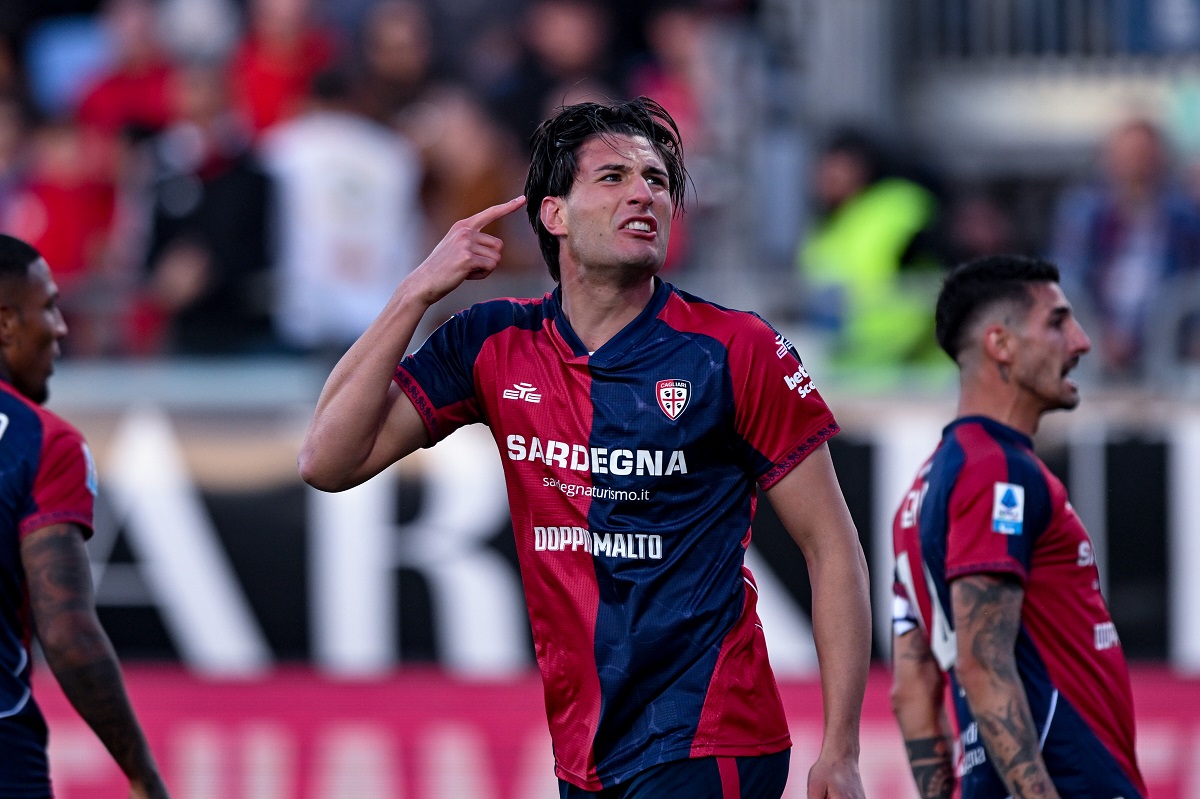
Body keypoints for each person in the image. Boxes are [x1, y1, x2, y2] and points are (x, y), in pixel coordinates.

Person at [299, 97, 871, 798]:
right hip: (586, 751)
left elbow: (831, 545)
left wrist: (840, 747)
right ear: (554, 214)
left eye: (658, 180)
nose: (644, 193)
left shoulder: (734, 349)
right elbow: (327, 460)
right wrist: (416, 292)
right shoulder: (490, 343)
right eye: (613, 177)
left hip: (710, 734)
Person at [889, 255, 1146, 799]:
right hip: (1074, 780)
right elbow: (983, 662)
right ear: (1000, 345)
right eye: (1057, 322)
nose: (1081, 342)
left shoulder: (919, 492)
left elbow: (911, 689)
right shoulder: (996, 470)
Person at [0, 234, 169, 798]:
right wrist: (142, 773)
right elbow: (68, 634)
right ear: (5, 324)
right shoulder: (43, 443)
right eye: (48, 307)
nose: (61, 328)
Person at [1051, 118, 1200, 379]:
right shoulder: (1084, 214)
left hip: (1169, 354)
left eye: (1144, 158)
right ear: (1108, 163)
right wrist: (1095, 334)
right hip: (1093, 354)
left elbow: (1191, 286)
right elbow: (1064, 279)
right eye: (1127, 158)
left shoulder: (1185, 219)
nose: (1136, 168)